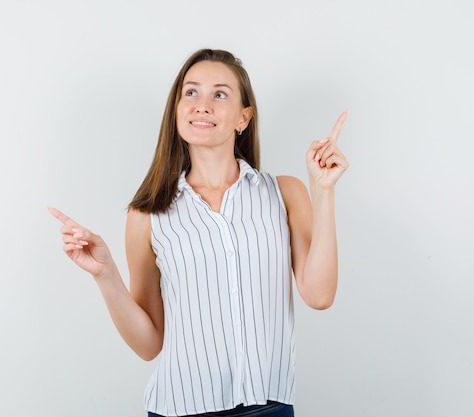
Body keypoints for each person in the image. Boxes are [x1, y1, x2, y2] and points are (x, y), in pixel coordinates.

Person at [49, 49, 348, 417]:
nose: (202, 105)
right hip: (180, 410)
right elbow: (148, 345)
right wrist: (105, 274)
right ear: (176, 111)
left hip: (269, 408)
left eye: (219, 94)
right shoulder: (148, 215)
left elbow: (319, 295)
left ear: (244, 117)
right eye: (191, 93)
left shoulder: (285, 193)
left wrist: (324, 190)